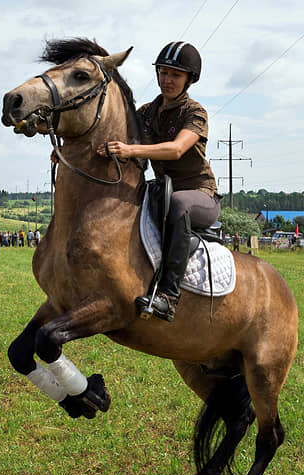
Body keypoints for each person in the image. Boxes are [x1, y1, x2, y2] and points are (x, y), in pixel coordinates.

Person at [98, 42, 220, 322]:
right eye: (163, 72)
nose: (167, 79)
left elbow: (176, 149)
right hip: (161, 193)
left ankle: (168, 296)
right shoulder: (145, 113)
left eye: (175, 75)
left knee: (179, 203)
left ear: (189, 79)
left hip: (200, 197)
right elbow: (115, 138)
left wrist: (130, 150)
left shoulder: (196, 113)